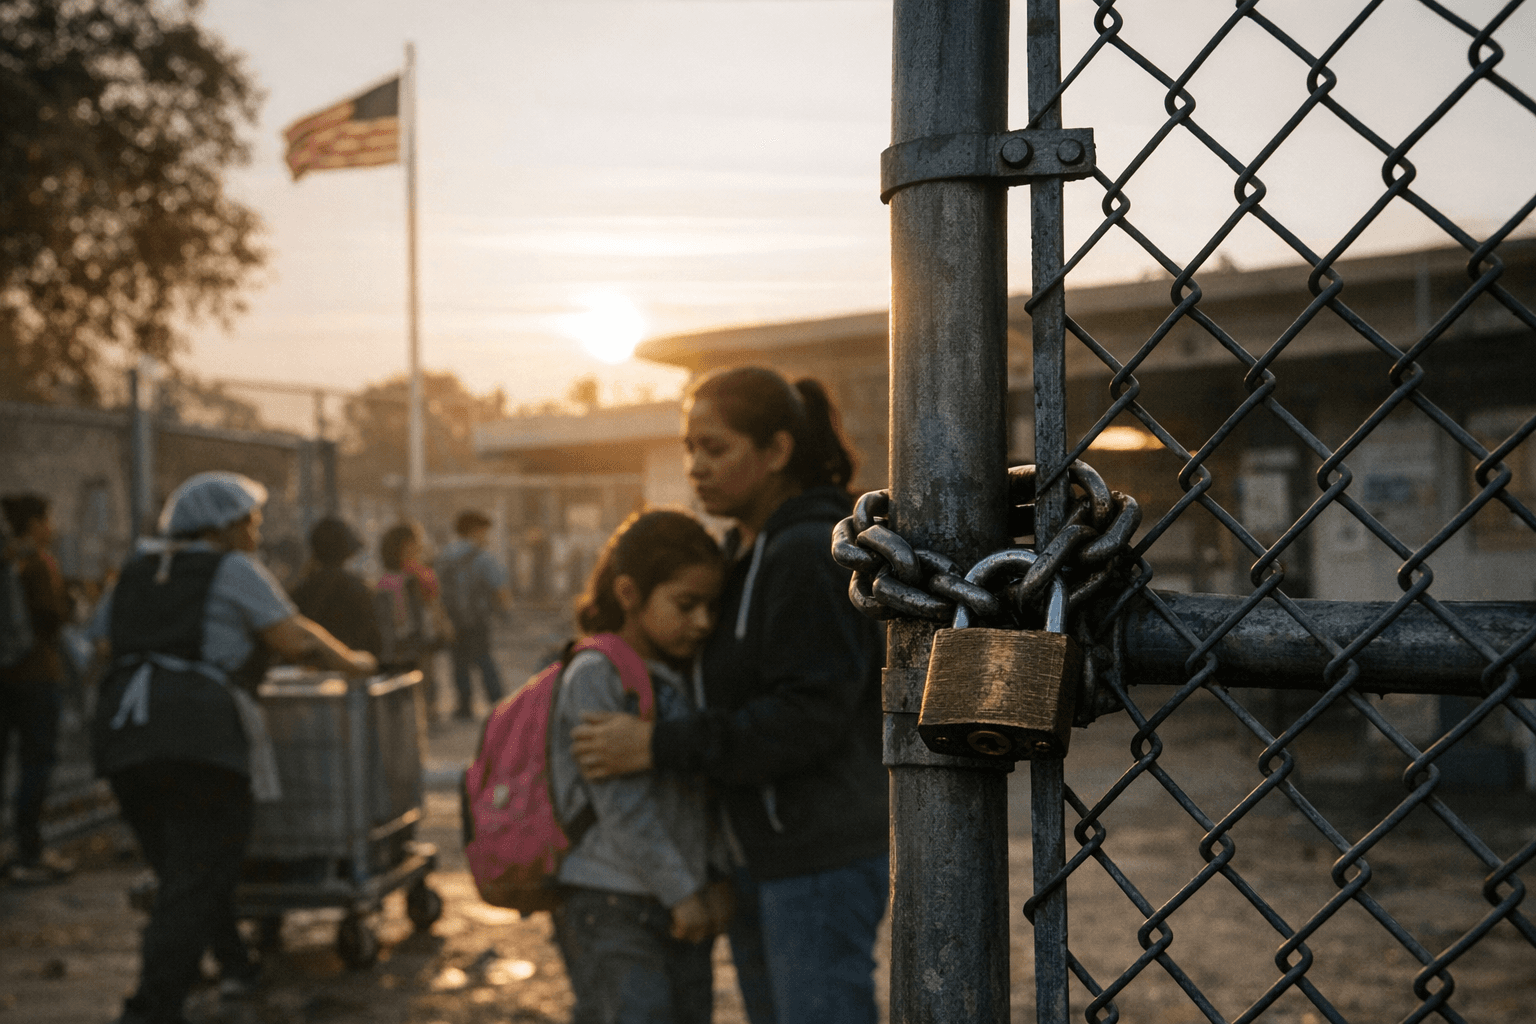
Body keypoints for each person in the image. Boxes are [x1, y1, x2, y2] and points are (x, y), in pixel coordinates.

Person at [571, 367, 888, 1024]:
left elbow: (807, 716)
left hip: (815, 856)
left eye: (714, 449)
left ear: (775, 451)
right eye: (690, 448)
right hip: (766, 855)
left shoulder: (806, 551)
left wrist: (656, 745)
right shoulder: (745, 553)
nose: (695, 467)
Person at [91, 472, 377, 1024]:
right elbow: (293, 638)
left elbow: (102, 645)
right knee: (196, 874)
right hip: (200, 734)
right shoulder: (232, 569)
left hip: (125, 734)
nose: (257, 530)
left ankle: (236, 964)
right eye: (251, 520)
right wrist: (357, 663)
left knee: (187, 869)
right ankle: (151, 1006)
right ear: (223, 526)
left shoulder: (134, 570)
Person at [548, 509, 733, 1024]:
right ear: (629, 593)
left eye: (711, 606)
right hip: (609, 901)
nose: (703, 622)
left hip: (678, 899)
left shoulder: (681, 674)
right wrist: (683, 891)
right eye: (686, 604)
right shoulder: (595, 673)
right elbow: (621, 805)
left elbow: (698, 794)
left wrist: (710, 875)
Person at [0, 493, 77, 884]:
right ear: (33, 524)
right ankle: (30, 851)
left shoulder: (7, 561)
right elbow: (53, 618)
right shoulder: (39, 564)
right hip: (37, 677)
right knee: (37, 764)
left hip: (3, 678)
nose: (51, 528)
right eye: (47, 520)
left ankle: (9, 851)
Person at [436, 510, 512, 720]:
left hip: (453, 619)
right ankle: (499, 704)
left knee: (459, 663)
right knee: (484, 659)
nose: (486, 537)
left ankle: (464, 707)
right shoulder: (483, 557)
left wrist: (442, 620)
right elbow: (499, 587)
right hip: (477, 619)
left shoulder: (446, 556)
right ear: (476, 531)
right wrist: (506, 613)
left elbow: (437, 591)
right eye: (485, 532)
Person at [374, 522, 452, 720]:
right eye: (417, 540)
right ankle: (426, 715)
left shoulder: (384, 577)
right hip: (420, 635)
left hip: (396, 637)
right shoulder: (420, 573)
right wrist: (442, 626)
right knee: (425, 676)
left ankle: (413, 715)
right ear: (406, 545)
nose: (420, 544)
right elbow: (433, 604)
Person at [290, 517, 382, 658]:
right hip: (353, 669)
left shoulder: (301, 588)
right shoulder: (359, 589)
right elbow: (375, 644)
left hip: (310, 671)